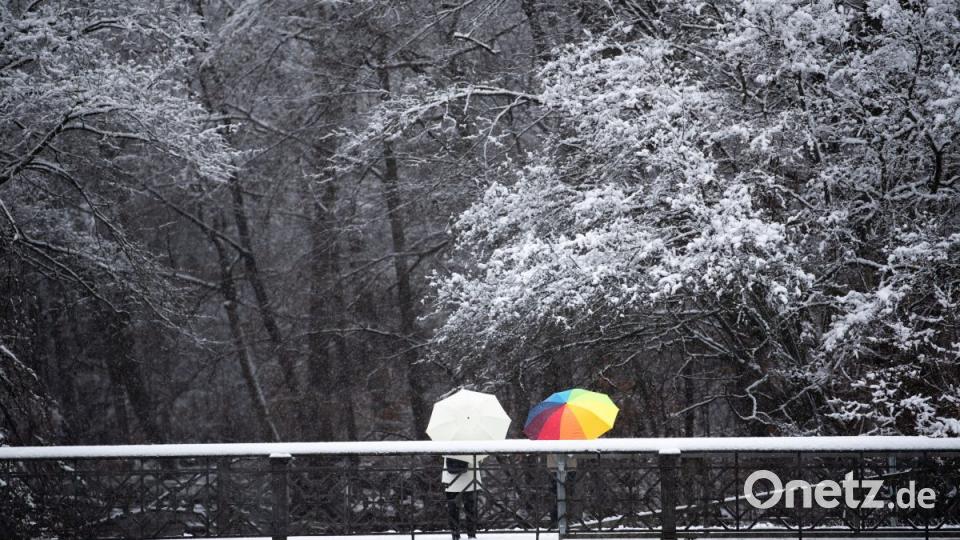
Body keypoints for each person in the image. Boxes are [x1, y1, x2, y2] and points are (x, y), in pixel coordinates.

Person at [442, 454, 481, 539]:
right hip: (470, 475)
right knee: (471, 508)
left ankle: (455, 534)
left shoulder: (447, 442)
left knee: (453, 508)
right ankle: (471, 534)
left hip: (450, 474)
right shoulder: (474, 441)